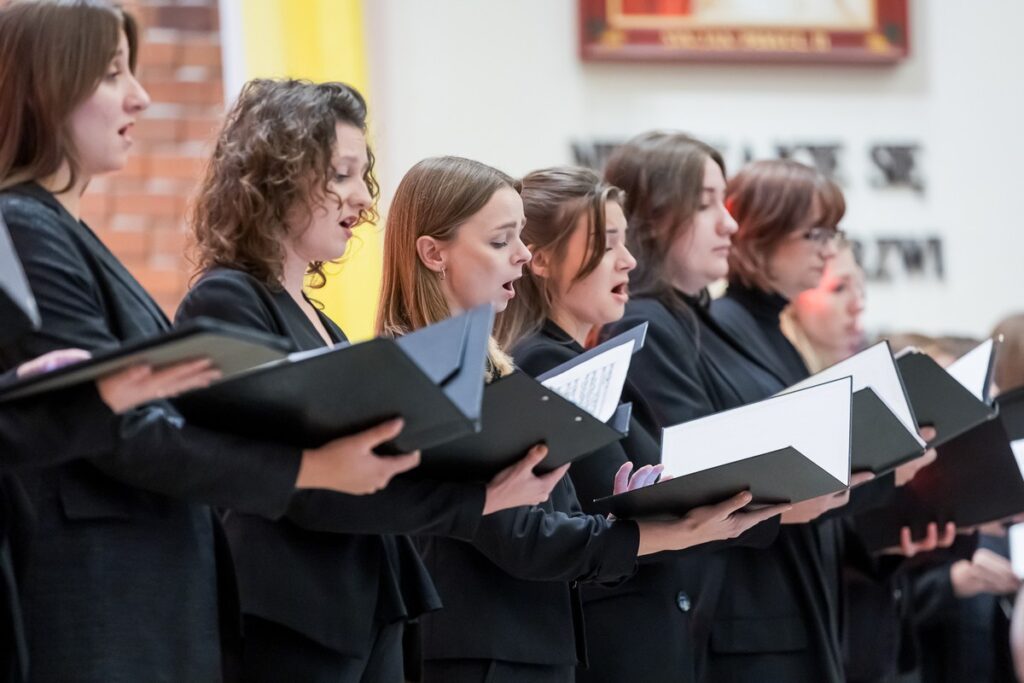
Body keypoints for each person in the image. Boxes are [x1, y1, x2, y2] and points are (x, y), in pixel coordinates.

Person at [0, 3, 413, 680]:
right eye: (112, 74)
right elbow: (116, 427)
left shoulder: (62, 230)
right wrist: (309, 470)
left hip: (149, 594)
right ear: (45, 85)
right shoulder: (23, 223)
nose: (140, 94)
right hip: (99, 596)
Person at [177, 78, 564, 683]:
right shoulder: (228, 298)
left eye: (364, 174)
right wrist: (478, 501)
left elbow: (361, 476)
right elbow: (281, 478)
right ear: (277, 176)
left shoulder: (319, 319)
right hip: (292, 613)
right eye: (341, 174)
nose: (363, 198)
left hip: (364, 607)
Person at [378, 156, 785, 683]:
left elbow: (538, 521)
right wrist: (661, 529)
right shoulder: (427, 366)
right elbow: (522, 537)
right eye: (502, 241)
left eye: (522, 237)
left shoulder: (489, 365)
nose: (523, 256)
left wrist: (631, 507)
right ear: (433, 253)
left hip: (527, 643)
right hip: (484, 653)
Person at [495, 165, 786, 683]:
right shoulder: (543, 363)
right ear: (539, 260)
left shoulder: (570, 355)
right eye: (607, 245)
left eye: (625, 242)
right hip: (614, 644)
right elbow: (623, 504)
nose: (628, 261)